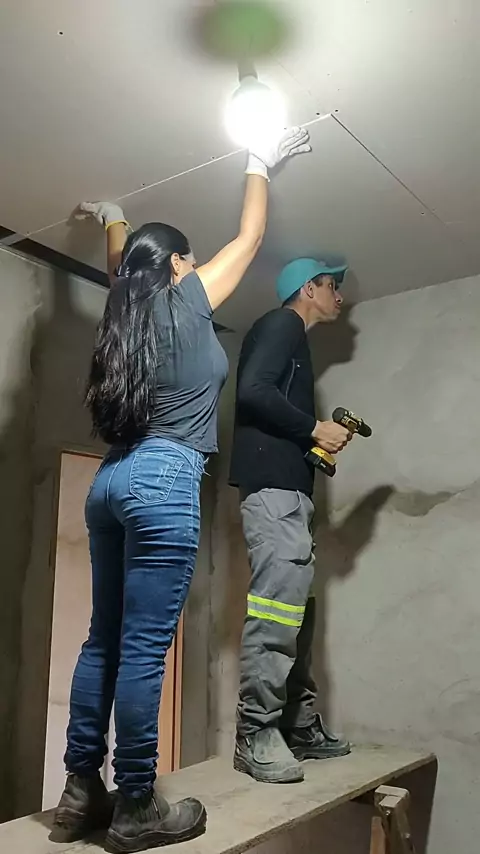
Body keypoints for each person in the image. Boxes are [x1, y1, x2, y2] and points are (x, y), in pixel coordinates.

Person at [52, 127, 311, 853]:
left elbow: (122, 266)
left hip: (111, 478)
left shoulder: (126, 312)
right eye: (190, 260)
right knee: (141, 649)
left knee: (103, 640)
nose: (199, 268)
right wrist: (261, 157)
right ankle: (135, 803)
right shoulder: (186, 299)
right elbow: (250, 237)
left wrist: (115, 217)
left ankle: (80, 792)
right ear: (175, 266)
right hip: (164, 475)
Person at [229, 257, 353, 784]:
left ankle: (296, 726)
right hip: (275, 494)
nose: (339, 296)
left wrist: (311, 444)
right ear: (308, 288)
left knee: (297, 609)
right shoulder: (282, 323)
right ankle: (254, 733)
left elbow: (269, 404)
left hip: (288, 495)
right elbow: (253, 391)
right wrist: (315, 429)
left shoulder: (294, 339)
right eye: (332, 286)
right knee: (278, 609)